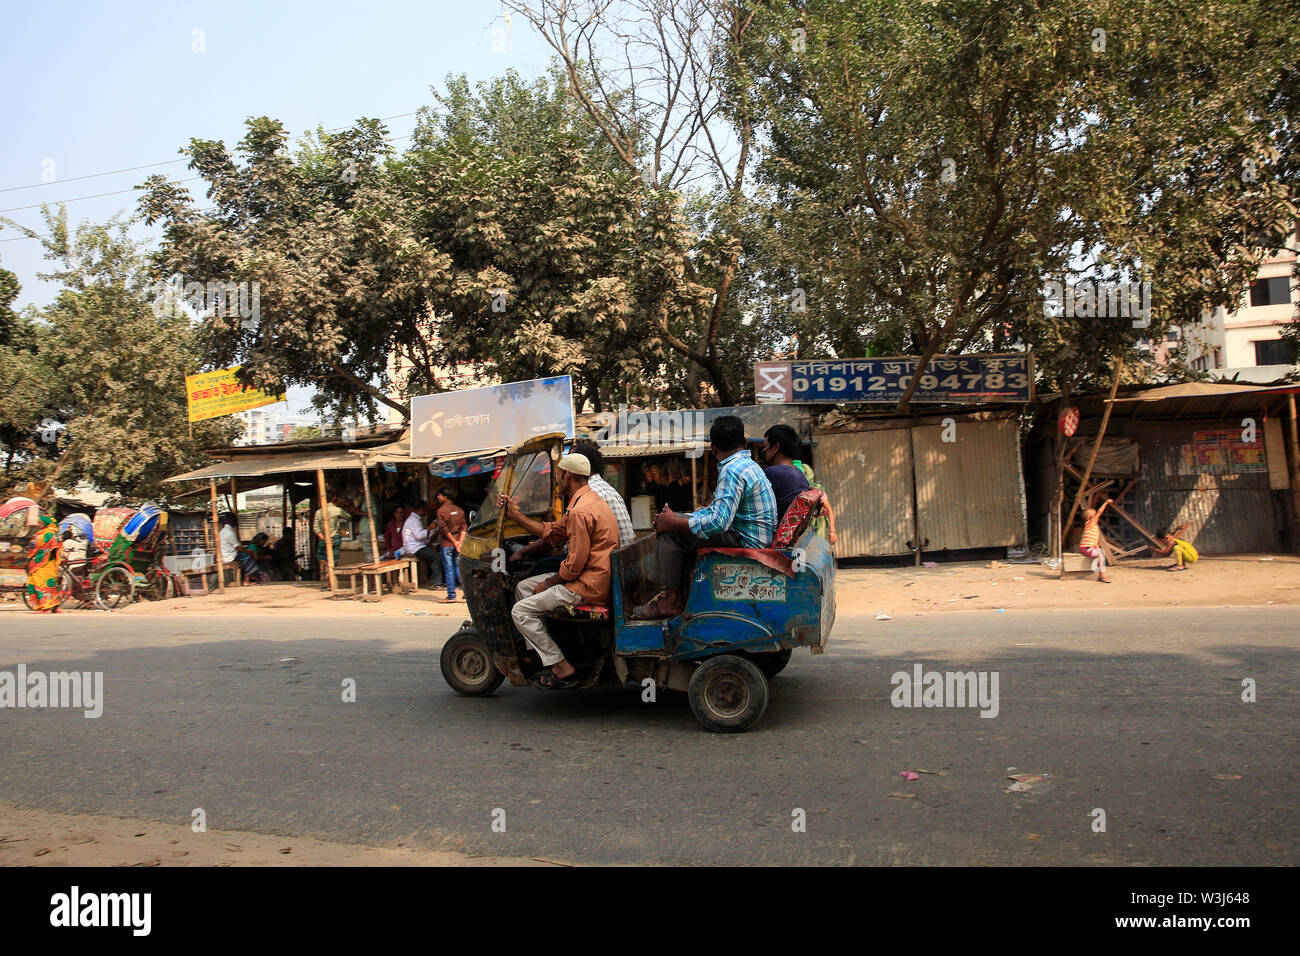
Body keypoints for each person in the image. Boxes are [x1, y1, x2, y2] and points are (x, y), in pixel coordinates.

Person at [633, 415, 777, 620]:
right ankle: (683, 594)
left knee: (673, 532)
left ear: (714, 448)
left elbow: (719, 522)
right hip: (750, 537)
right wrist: (678, 517)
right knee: (677, 524)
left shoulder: (732, 471)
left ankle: (671, 601)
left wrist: (673, 523)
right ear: (744, 443)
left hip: (747, 542)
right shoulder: (749, 465)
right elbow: (716, 512)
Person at [497, 453, 619, 688]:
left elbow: (574, 566)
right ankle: (540, 656)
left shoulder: (580, 512)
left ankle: (560, 664)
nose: (557, 480)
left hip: (586, 586)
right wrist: (515, 515)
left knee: (519, 611)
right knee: (524, 588)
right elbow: (551, 531)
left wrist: (550, 583)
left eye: (560, 475)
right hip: (592, 578)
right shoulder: (588, 501)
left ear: (568, 475)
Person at [509, 439, 635, 570]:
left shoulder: (588, 494)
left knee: (540, 568)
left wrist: (524, 551)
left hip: (606, 566)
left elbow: (560, 540)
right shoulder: (604, 488)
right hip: (623, 559)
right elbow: (561, 532)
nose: (558, 478)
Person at [760, 424, 811, 523]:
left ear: (775, 447)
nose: (764, 451)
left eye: (765, 446)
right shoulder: (800, 474)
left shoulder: (771, 474)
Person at [431, 486, 467, 602]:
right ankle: (467, 592)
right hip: (457, 544)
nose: (438, 497)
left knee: (449, 570)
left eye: (440, 495)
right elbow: (463, 528)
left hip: (447, 544)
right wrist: (459, 543)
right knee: (458, 568)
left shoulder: (441, 511)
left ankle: (451, 595)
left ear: (445, 497)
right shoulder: (459, 510)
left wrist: (454, 542)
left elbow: (445, 530)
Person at [796, 463, 839, 547]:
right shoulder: (795, 489)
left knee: (817, 551)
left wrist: (832, 531)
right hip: (803, 528)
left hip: (818, 526)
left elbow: (829, 509)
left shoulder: (816, 490)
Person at [402, 501, 443, 586]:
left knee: (434, 554)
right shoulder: (414, 520)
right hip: (414, 547)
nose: (426, 512)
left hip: (417, 546)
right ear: (421, 509)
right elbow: (419, 536)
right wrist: (429, 528)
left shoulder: (415, 519)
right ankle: (436, 583)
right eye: (425, 510)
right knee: (436, 557)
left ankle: (432, 581)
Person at [1079, 498, 1113, 584]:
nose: (1096, 516)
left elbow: (1094, 540)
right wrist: (1106, 502)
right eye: (1094, 515)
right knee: (1101, 556)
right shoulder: (1091, 523)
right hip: (1086, 548)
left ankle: (1100, 575)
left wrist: (1097, 547)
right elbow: (1100, 511)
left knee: (1101, 554)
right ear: (1091, 517)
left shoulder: (1092, 526)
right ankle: (1102, 576)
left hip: (1089, 547)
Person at [218, 512, 241, 585]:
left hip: (223, 557)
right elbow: (238, 547)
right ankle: (246, 579)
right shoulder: (230, 532)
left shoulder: (221, 532)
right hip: (230, 557)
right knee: (247, 557)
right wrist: (249, 552)